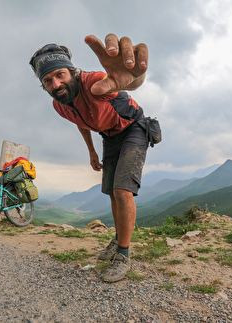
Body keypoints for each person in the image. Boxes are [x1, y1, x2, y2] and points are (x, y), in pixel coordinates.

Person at [29, 34, 149, 282]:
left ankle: (123, 255)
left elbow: (125, 82)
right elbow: (79, 121)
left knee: (122, 191)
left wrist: (136, 77)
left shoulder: (93, 81)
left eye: (60, 74)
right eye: (47, 80)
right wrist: (91, 151)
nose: (56, 84)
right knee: (111, 191)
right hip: (109, 135)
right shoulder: (59, 103)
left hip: (134, 127)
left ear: (72, 72)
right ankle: (118, 240)